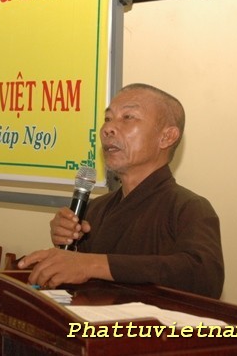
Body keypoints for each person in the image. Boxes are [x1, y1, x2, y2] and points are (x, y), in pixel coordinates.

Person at [18, 83, 224, 299]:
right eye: (108, 118)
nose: (108, 129)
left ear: (167, 137)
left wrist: (92, 264)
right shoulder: (96, 209)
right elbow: (78, 280)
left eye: (128, 117)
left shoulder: (189, 207)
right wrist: (67, 246)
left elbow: (204, 277)